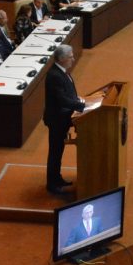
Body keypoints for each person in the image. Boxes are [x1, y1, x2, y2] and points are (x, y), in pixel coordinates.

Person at [44, 45, 86, 194]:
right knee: (55, 151)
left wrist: (77, 100)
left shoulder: (62, 72)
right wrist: (82, 105)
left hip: (63, 116)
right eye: (70, 57)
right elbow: (61, 100)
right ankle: (52, 184)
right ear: (61, 59)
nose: (73, 59)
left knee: (58, 150)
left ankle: (57, 178)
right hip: (56, 119)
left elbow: (69, 94)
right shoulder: (54, 75)